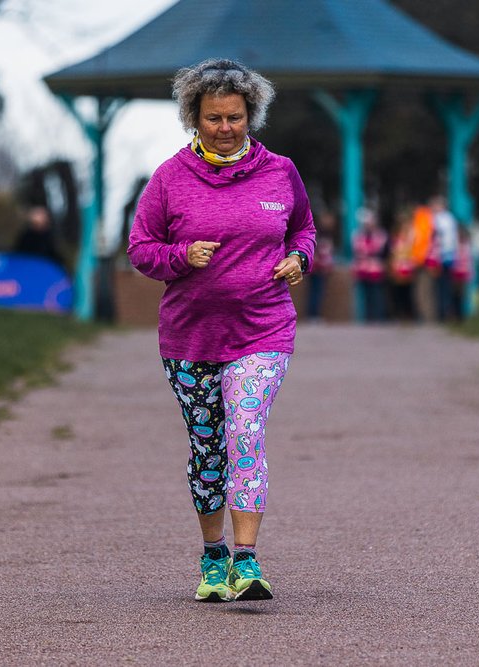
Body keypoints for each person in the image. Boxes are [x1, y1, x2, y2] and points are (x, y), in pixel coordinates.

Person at [127, 59, 316, 603]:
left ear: (250, 115)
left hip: (263, 328)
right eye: (213, 119)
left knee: (246, 430)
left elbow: (303, 228)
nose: (225, 128)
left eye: (234, 117)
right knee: (208, 447)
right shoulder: (169, 178)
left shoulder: (281, 171)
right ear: (194, 117)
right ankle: (213, 560)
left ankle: (248, 561)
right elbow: (141, 250)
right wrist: (182, 256)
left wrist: (299, 258)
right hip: (190, 338)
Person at [351, 208, 388, 322]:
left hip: (375, 270)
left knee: (376, 294)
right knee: (365, 295)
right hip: (362, 270)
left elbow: (379, 250)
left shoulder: (380, 235)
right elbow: (357, 250)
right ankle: (368, 318)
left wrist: (368, 252)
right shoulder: (358, 235)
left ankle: (378, 317)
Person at [429, 195, 459, 322]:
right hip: (445, 256)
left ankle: (443, 312)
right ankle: (443, 311)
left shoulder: (442, 219)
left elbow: (440, 239)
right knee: (442, 286)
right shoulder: (449, 219)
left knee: (442, 286)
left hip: (442, 256)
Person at [306, 209, 336, 321]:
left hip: (323, 269)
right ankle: (313, 315)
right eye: (327, 219)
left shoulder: (328, 234)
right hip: (315, 268)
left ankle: (316, 314)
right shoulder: (316, 233)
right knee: (315, 292)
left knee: (320, 292)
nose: (330, 222)